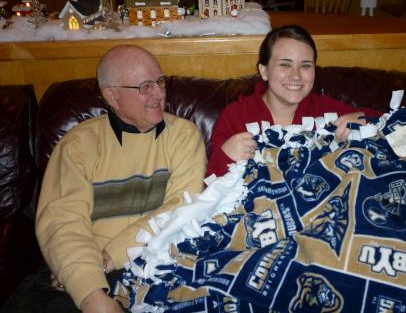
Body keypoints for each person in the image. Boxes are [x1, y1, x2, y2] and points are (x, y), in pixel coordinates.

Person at [2, 45, 207, 313]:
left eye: (160, 82)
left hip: (157, 262)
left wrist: (108, 259)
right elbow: (62, 221)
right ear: (112, 96)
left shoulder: (183, 136)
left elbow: (180, 209)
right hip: (82, 267)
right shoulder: (78, 145)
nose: (159, 93)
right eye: (145, 86)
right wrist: (89, 289)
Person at [206, 25, 381, 178]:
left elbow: (398, 124)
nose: (296, 75)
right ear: (264, 71)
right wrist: (226, 156)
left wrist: (364, 119)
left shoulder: (326, 111)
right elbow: (209, 189)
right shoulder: (235, 116)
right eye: (285, 64)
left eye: (305, 66)